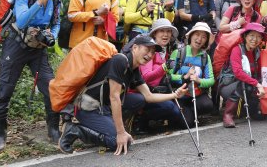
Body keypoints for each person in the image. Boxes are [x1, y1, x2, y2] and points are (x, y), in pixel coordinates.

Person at [58, 36, 188, 155]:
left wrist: (175, 95)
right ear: (135, 48)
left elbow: (148, 96)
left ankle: (111, 127)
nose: (150, 55)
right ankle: (74, 130)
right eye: (147, 49)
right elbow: (114, 97)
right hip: (89, 109)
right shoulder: (120, 61)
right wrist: (120, 133)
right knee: (117, 142)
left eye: (153, 52)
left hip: (104, 107)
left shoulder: (134, 68)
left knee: (139, 100)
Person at [0, 0, 63, 152]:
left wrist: (52, 37)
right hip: (16, 45)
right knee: (5, 89)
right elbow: (22, 20)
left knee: (50, 88)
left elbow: (56, 23)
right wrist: (39, 1)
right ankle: (0, 136)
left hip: (38, 49)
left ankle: (53, 130)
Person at [133, 19, 183, 134]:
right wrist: (164, 68)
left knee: (177, 113)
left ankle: (153, 120)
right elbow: (145, 77)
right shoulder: (149, 51)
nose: (165, 35)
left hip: (160, 91)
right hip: (144, 93)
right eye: (162, 31)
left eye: (168, 31)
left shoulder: (167, 51)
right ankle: (140, 121)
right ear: (155, 33)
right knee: (170, 108)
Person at [219, 23, 267, 128]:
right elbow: (238, 72)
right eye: (252, 35)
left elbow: (260, 72)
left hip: (249, 86)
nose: (255, 39)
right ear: (245, 36)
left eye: (259, 36)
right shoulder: (237, 50)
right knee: (245, 85)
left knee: (260, 115)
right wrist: (257, 84)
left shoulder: (258, 52)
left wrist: (261, 84)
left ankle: (251, 110)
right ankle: (228, 115)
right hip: (230, 85)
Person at [168, 22, 215, 126]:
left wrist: (198, 80)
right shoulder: (178, 53)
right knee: (187, 124)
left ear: (206, 41)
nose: (199, 39)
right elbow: (169, 76)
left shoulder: (205, 57)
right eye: (197, 34)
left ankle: (190, 113)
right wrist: (184, 77)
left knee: (207, 105)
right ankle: (185, 114)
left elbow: (211, 80)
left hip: (197, 94)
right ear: (191, 36)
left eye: (203, 37)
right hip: (180, 94)